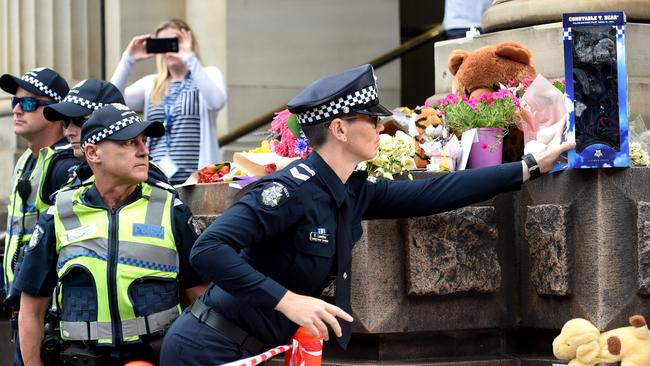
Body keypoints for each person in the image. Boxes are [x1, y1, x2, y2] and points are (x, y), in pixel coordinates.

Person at [159, 64, 575, 365]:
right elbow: (208, 249)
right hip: (207, 349)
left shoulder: (351, 189)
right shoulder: (288, 191)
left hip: (257, 349)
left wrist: (531, 165)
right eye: (371, 119)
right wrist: (288, 302)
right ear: (339, 129)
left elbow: (436, 191)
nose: (381, 127)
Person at [14, 104, 206, 366]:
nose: (144, 151)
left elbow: (201, 300)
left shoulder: (171, 210)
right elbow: (31, 313)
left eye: (144, 141)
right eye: (129, 142)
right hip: (81, 358)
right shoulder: (59, 214)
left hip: (156, 357)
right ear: (92, 152)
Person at [0, 67, 78, 365]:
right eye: (15, 102)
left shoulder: (64, 166)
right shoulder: (26, 160)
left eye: (30, 103)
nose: (18, 109)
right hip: (23, 309)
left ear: (56, 112)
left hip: (50, 317)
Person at [110, 18, 227, 184]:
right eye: (163, 43)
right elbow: (111, 102)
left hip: (197, 181)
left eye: (175, 41)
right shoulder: (151, 83)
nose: (170, 49)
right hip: (156, 181)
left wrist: (189, 57)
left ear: (189, 42)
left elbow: (217, 102)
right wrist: (128, 59)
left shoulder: (208, 75)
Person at [43, 79, 169, 185]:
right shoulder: (77, 175)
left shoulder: (146, 176)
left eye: (80, 120)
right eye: (65, 122)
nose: (69, 132)